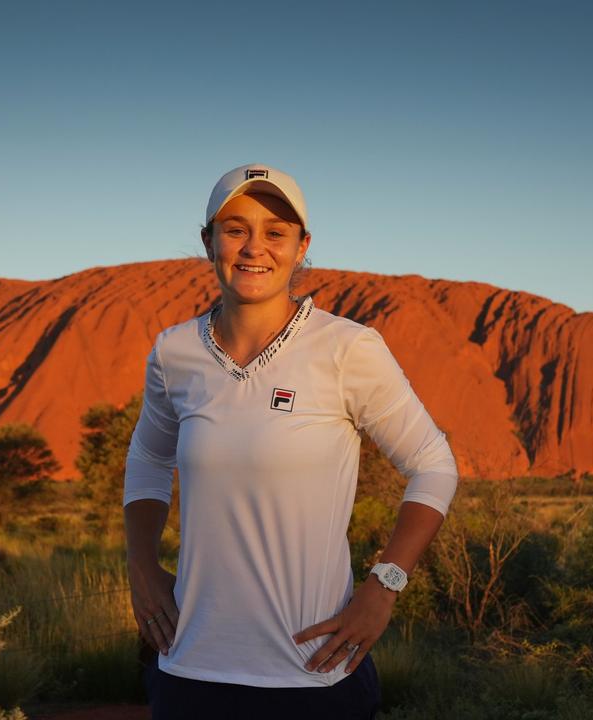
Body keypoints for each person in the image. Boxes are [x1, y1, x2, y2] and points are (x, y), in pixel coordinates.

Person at [122, 163, 460, 719]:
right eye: (236, 229)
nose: (255, 248)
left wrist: (384, 586)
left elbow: (433, 463)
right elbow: (149, 457)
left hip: (316, 673)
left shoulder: (348, 348)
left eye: (276, 232)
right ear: (209, 242)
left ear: (302, 247)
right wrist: (140, 564)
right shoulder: (174, 352)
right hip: (188, 669)